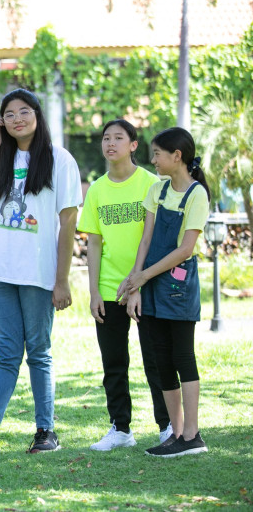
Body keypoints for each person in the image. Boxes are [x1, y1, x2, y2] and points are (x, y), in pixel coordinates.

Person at [0, 88, 81, 457]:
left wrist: (61, 280)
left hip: (39, 274)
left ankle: (45, 431)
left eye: (24, 111)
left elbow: (68, 223)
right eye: (9, 114)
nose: (17, 119)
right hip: (2, 274)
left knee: (39, 353)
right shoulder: (1, 158)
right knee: (6, 355)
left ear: (37, 114)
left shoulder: (59, 159)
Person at [78, 119, 172, 451]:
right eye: (106, 138)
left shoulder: (152, 184)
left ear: (133, 145)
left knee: (156, 360)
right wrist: (93, 292)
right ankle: (120, 428)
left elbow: (158, 240)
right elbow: (94, 244)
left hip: (147, 286)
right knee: (114, 364)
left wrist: (139, 284)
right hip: (109, 289)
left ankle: (167, 426)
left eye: (119, 138)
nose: (111, 143)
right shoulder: (97, 189)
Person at [117, 127, 210, 458]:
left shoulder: (197, 195)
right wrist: (136, 283)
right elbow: (146, 240)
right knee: (160, 359)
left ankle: (193, 435)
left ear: (177, 156)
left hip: (178, 286)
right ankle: (176, 433)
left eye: (157, 154)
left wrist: (143, 276)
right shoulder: (157, 190)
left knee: (183, 357)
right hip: (152, 282)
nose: (153, 160)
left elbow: (185, 249)